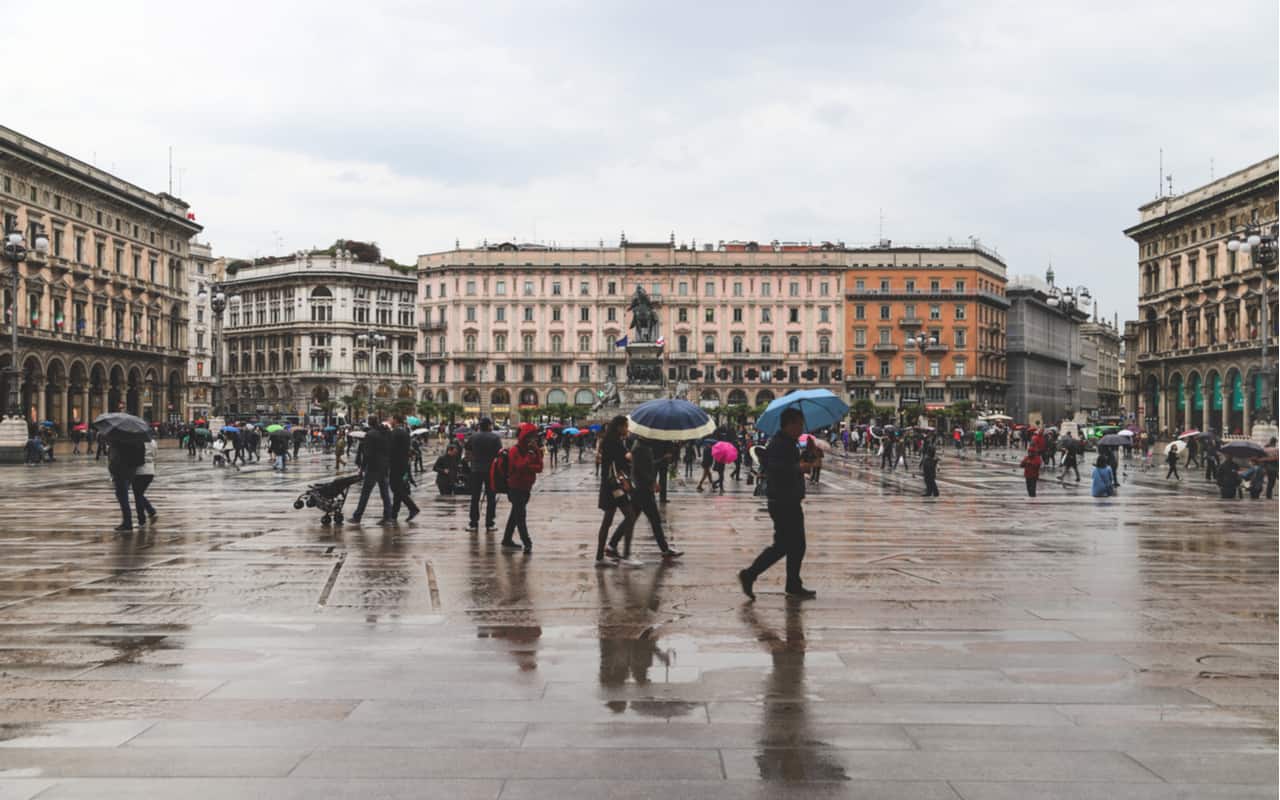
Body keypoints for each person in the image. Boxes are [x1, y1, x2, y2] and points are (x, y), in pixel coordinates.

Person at [739, 407, 815, 600]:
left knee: (794, 545)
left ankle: (792, 583)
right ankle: (751, 574)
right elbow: (774, 468)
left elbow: (793, 466)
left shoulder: (789, 442)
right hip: (783, 501)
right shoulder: (779, 443)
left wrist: (808, 454)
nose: (801, 427)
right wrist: (798, 466)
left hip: (788, 499)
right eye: (799, 423)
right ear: (790, 424)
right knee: (786, 545)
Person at [629, 437, 683, 561]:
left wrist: (661, 460)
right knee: (654, 520)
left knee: (631, 519)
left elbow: (648, 465)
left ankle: (612, 544)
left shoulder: (642, 446)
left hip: (641, 489)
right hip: (643, 490)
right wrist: (652, 482)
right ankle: (665, 549)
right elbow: (641, 469)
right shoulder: (640, 448)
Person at [597, 415, 640, 567]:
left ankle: (600, 557)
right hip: (615, 486)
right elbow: (622, 461)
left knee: (607, 520)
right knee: (630, 515)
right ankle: (626, 555)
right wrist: (632, 455)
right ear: (619, 427)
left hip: (610, 484)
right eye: (625, 426)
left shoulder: (611, 441)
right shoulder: (613, 442)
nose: (627, 429)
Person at [500, 422, 544, 552]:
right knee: (520, 516)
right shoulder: (515, 450)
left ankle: (507, 539)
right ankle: (527, 542)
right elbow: (519, 466)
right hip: (516, 487)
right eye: (531, 437)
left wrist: (532, 457)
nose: (534, 440)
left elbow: (540, 467)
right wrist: (530, 459)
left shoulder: (534, 450)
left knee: (515, 513)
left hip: (526, 487)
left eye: (535, 437)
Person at [350, 417, 393, 524]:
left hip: (373, 467)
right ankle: (387, 517)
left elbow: (367, 454)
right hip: (384, 466)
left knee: (365, 493)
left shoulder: (370, 434)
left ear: (369, 423)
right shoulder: (386, 433)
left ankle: (357, 516)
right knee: (385, 494)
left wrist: (362, 468)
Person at [466, 418, 502, 533]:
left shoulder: (473, 437)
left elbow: (467, 450)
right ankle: (489, 523)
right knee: (491, 497)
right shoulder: (495, 438)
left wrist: (473, 459)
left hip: (476, 469)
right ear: (489, 426)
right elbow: (499, 453)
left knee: (475, 497)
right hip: (491, 470)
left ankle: (473, 523)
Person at [107, 435, 146, 532]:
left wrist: (112, 468)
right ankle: (128, 521)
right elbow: (141, 457)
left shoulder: (118, 441)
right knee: (124, 497)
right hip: (131, 471)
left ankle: (127, 522)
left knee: (123, 498)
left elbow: (114, 458)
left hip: (120, 472)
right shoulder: (137, 440)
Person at [388, 414, 420, 522]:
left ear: (395, 420)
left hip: (396, 464)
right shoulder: (405, 432)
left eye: (391, 418)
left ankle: (413, 508)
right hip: (403, 464)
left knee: (395, 488)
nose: (389, 420)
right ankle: (394, 514)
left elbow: (391, 449)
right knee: (398, 488)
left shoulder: (395, 432)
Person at [132, 435, 159, 524]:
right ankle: (151, 512)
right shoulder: (153, 442)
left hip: (139, 471)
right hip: (150, 470)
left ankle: (142, 519)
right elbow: (155, 455)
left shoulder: (136, 442)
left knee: (138, 496)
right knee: (139, 494)